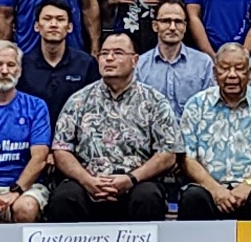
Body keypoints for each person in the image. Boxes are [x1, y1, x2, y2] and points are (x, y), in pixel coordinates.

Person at [46, 32, 182, 221]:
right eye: (104, 54)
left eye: (118, 53)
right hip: (88, 183)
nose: (109, 59)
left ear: (134, 60)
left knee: (148, 196)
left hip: (136, 182)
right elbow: (61, 149)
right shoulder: (78, 100)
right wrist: (87, 181)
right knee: (64, 197)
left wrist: (131, 179)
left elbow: (168, 153)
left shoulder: (155, 101)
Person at [172, 44, 251, 221]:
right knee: (193, 197)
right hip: (209, 191)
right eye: (224, 69)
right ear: (215, 73)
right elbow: (186, 158)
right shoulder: (197, 105)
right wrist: (216, 190)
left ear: (250, 72)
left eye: (239, 69)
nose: (232, 75)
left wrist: (248, 185)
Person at [132, 4, 216, 110]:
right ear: (155, 26)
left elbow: (211, 106)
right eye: (166, 21)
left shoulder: (203, 63)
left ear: (185, 27)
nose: (172, 27)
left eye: (178, 22)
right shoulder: (140, 65)